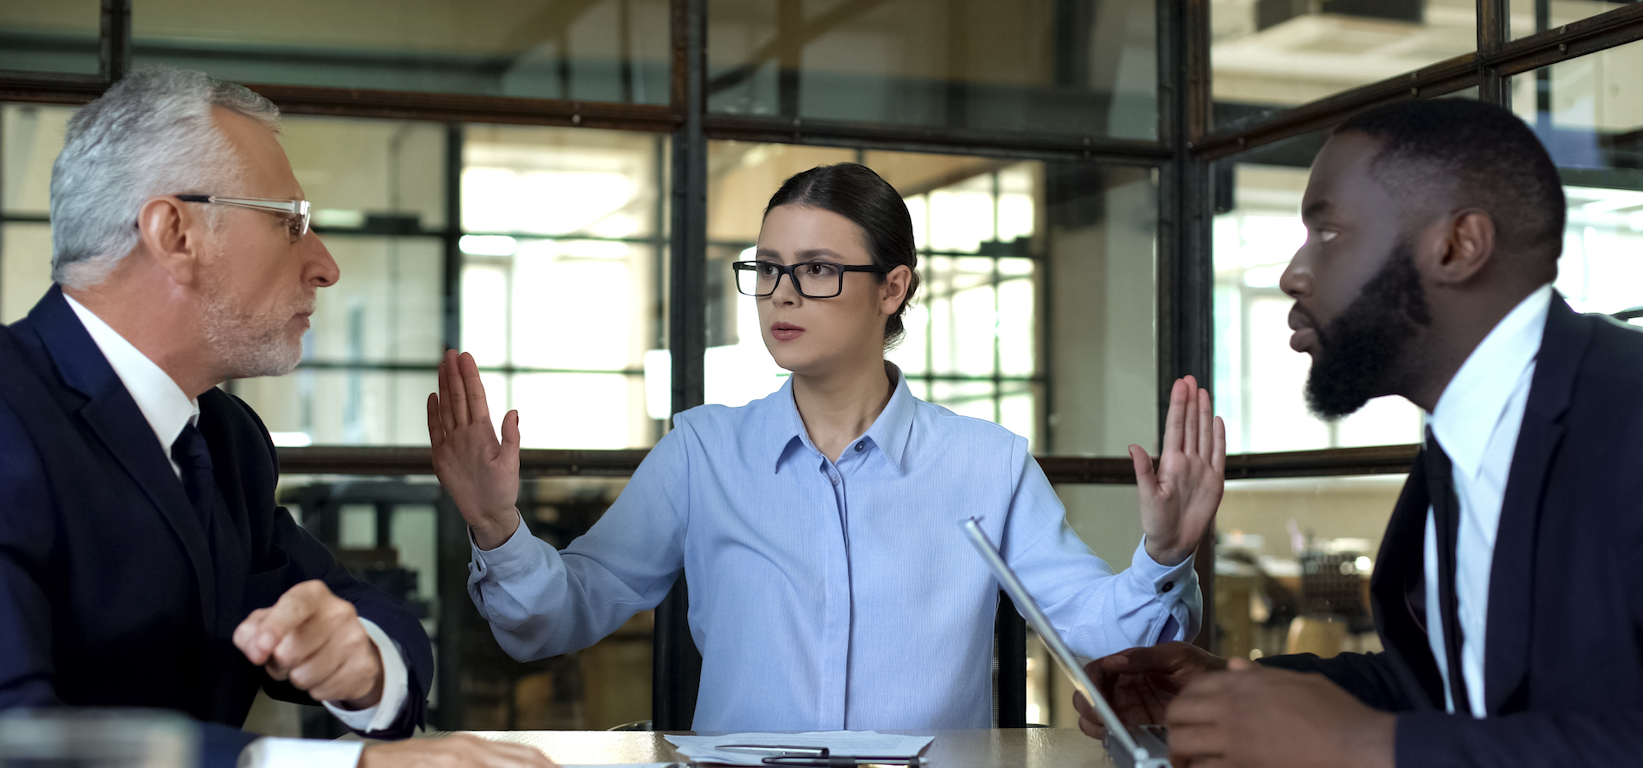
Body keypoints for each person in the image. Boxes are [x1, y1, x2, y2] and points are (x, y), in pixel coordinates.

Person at [1075, 98, 1643, 768]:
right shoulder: (1466, 435)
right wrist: (1234, 694)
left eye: (1328, 231)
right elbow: (1460, 690)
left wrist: (1378, 756)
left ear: (1456, 245)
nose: (1291, 273)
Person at [0, 66, 596, 768]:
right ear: (174, 233)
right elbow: (16, 747)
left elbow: (373, 613)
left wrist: (362, 664)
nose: (324, 262)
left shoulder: (224, 438)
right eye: (290, 220)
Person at [430, 163, 1226, 730]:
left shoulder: (985, 462)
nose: (780, 292)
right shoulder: (703, 452)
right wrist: (499, 529)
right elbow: (554, 619)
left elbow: (1099, 635)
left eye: (814, 269)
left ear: (893, 287)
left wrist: (1161, 555)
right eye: (768, 268)